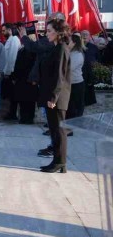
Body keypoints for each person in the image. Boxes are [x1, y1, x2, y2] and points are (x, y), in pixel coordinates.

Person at [38, 19, 72, 173]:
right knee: (55, 130)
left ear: (58, 32)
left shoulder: (61, 49)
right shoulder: (56, 47)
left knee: (58, 131)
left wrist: (53, 97)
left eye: (49, 31)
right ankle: (59, 162)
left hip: (57, 98)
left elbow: (60, 76)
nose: (47, 33)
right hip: (53, 96)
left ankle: (60, 162)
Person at [1, 25, 21, 120]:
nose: (2, 33)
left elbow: (12, 58)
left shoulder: (14, 40)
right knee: (10, 95)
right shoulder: (9, 40)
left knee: (13, 95)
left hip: (12, 72)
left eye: (4, 30)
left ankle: (13, 114)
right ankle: (11, 113)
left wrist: (8, 72)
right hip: (8, 72)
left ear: (9, 30)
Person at [66, 33, 86, 119]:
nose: (67, 43)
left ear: (74, 43)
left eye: (69, 41)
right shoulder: (70, 52)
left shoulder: (77, 54)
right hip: (69, 83)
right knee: (69, 106)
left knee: (74, 107)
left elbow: (68, 68)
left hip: (76, 84)